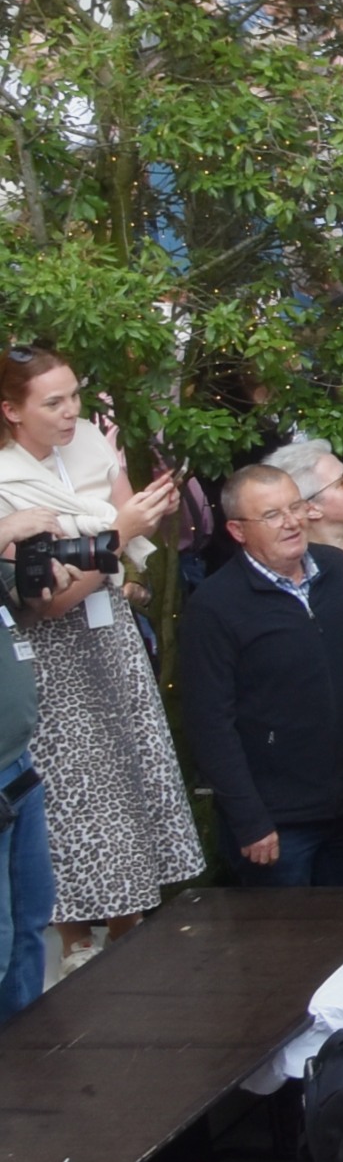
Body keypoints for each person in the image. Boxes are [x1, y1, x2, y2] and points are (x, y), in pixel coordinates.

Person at [0, 348, 202, 949]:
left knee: (130, 787)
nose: (70, 413)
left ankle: (131, 935)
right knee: (73, 807)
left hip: (111, 633)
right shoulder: (6, 479)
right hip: (53, 663)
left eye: (74, 396)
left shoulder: (89, 439)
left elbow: (134, 531)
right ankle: (71, 948)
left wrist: (125, 531)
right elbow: (47, 598)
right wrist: (121, 531)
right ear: (11, 410)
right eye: (53, 402)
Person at [185, 461, 343, 885]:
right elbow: (210, 725)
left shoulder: (336, 568)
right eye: (272, 515)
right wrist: (249, 819)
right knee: (283, 947)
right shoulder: (214, 607)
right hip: (279, 824)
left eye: (295, 507)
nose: (292, 522)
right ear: (238, 531)